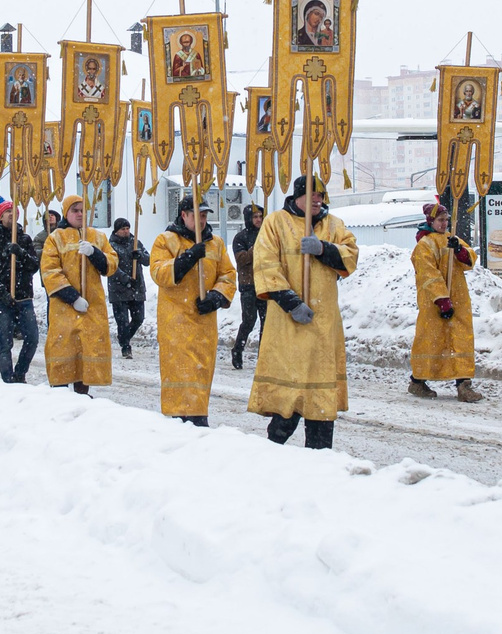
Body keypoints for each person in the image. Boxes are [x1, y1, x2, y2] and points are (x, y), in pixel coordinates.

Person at [247, 175, 357, 446]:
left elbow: (351, 255)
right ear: (298, 196)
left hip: (323, 326)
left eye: (321, 195)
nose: (318, 200)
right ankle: (274, 451)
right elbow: (265, 264)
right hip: (289, 325)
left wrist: (324, 249)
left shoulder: (334, 225)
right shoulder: (275, 222)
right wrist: (291, 302)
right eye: (312, 194)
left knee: (320, 399)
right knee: (289, 397)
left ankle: (320, 455)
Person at [147, 197, 236, 424]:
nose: (201, 220)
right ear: (184, 215)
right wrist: (188, 258)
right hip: (175, 322)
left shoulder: (216, 244)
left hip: (204, 324)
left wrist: (216, 297)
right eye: (196, 215)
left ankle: (198, 416)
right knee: (179, 371)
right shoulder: (165, 240)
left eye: (204, 216)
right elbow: (159, 273)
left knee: (200, 372)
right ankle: (179, 417)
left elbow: (228, 275)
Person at [406, 202, 482, 402]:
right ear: (431, 221)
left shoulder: (452, 239)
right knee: (431, 341)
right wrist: (441, 299)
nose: (444, 223)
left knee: (461, 340)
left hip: (459, 299)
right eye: (440, 220)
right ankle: (417, 381)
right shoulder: (424, 245)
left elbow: (470, 260)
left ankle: (464, 385)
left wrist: (459, 250)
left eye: (446, 220)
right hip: (434, 303)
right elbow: (428, 275)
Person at [40, 194, 112, 393]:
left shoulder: (97, 237)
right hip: (64, 309)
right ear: (66, 213)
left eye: (83, 210)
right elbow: (50, 272)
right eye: (75, 210)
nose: (80, 214)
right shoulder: (55, 238)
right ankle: (60, 394)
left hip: (91, 307)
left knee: (87, 351)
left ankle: (82, 395)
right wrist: (73, 297)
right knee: (63, 350)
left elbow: (111, 264)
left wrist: (95, 254)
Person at [0, 203, 41, 381]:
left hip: (24, 297)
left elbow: (34, 266)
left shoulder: (24, 239)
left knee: (32, 339)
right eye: (7, 212)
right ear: (1, 216)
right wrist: (0, 289)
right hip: (1, 299)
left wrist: (21, 253)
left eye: (14, 212)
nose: (11, 214)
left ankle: (20, 373)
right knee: (5, 342)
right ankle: (7, 379)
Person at [106, 217, 149, 358]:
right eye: (123, 229)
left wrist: (139, 256)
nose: (126, 231)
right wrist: (126, 279)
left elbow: (148, 260)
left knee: (138, 318)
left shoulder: (135, 243)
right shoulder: (110, 246)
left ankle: (124, 337)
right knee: (122, 321)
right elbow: (111, 267)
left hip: (137, 288)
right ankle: (126, 347)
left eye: (127, 228)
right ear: (116, 231)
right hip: (119, 289)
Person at [230, 204, 266, 369]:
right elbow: (241, 259)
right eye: (255, 217)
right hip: (248, 285)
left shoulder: (267, 235)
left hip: (265, 284)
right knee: (249, 321)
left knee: (266, 322)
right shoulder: (240, 238)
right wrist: (255, 248)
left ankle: (263, 356)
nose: (258, 220)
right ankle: (238, 349)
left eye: (260, 216)